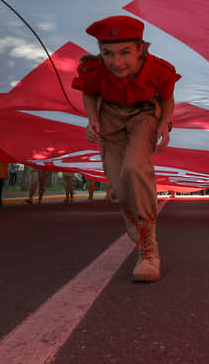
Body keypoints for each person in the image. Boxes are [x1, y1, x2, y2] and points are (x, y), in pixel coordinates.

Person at [72, 15, 179, 282]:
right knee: (120, 188)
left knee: (134, 168)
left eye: (125, 53)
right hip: (111, 118)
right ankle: (135, 218)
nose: (116, 62)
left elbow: (167, 98)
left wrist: (165, 123)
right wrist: (93, 119)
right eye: (107, 53)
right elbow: (89, 92)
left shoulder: (159, 70)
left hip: (144, 115)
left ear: (140, 49)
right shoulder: (96, 70)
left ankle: (148, 250)